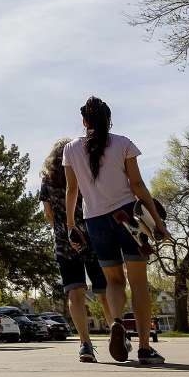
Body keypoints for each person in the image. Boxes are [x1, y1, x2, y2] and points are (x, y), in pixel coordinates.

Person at [63, 97, 168, 364]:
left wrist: (71, 225)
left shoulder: (71, 149)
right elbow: (137, 185)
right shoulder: (123, 143)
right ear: (109, 120)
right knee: (139, 283)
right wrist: (157, 222)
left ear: (85, 122)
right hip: (127, 217)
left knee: (113, 281)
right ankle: (145, 348)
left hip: (95, 221)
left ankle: (117, 322)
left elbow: (71, 190)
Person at [39, 138, 113, 362]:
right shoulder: (83, 173)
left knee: (75, 293)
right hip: (93, 238)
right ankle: (117, 331)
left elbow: (48, 214)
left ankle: (85, 344)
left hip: (64, 241)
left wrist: (62, 231)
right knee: (104, 291)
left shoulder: (47, 180)